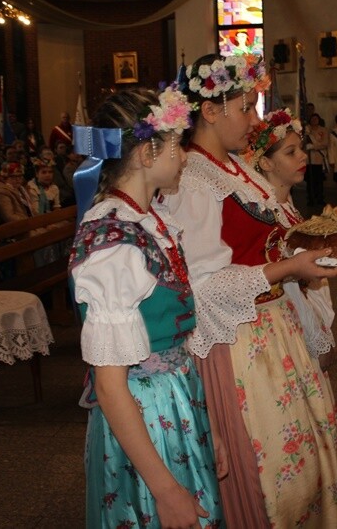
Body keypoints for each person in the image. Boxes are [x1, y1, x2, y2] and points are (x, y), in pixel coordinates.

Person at [158, 54, 337, 527]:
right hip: (238, 342)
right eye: (246, 108)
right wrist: (289, 267)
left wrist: (310, 254)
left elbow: (270, 237)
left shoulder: (235, 167)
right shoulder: (194, 178)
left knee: (308, 455)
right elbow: (202, 286)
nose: (254, 121)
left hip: (274, 325)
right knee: (276, 469)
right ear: (210, 111)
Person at [69, 86, 225, 529]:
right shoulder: (112, 241)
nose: (186, 156)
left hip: (177, 399)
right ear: (145, 152)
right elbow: (110, 383)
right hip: (145, 412)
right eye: (179, 145)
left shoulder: (149, 220)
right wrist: (164, 487)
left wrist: (207, 431)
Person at [244, 108, 337, 369]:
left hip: (308, 304)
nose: (302, 156)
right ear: (265, 163)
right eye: (291, 152)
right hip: (288, 317)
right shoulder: (264, 213)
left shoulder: (286, 204)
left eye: (300, 148)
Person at [302, 113, 329, 207]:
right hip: (308, 161)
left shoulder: (323, 130)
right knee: (309, 181)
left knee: (319, 181)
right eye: (312, 119)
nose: (314, 120)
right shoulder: (306, 130)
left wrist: (313, 146)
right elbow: (301, 144)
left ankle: (320, 198)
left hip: (318, 159)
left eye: (316, 119)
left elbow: (325, 143)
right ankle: (310, 198)